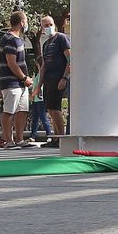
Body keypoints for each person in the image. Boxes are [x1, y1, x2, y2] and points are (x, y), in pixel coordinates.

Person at [0, 10, 35, 150]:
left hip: (21, 83)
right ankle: (8, 141)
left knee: (22, 110)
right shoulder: (10, 39)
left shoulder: (18, 40)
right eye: (26, 22)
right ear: (22, 23)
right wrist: (23, 77)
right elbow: (11, 62)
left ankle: (19, 139)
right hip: (11, 81)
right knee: (9, 111)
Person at [39, 15, 70, 147]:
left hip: (59, 78)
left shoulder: (61, 38)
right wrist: (38, 85)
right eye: (45, 25)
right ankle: (56, 137)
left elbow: (70, 58)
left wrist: (64, 77)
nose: (49, 27)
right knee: (50, 109)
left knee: (55, 108)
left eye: (50, 24)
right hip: (48, 80)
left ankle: (61, 138)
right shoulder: (45, 43)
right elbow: (44, 65)